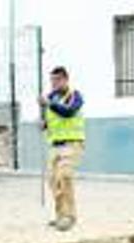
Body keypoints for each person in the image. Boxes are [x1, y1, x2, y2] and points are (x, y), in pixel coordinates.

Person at [39, 66, 85, 232]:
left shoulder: (75, 95)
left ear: (66, 79)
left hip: (72, 143)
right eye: (52, 80)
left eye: (57, 80)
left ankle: (69, 217)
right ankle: (60, 216)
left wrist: (49, 104)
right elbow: (50, 120)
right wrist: (43, 124)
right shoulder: (50, 98)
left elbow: (69, 112)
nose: (54, 83)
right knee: (54, 181)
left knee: (64, 176)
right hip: (54, 145)